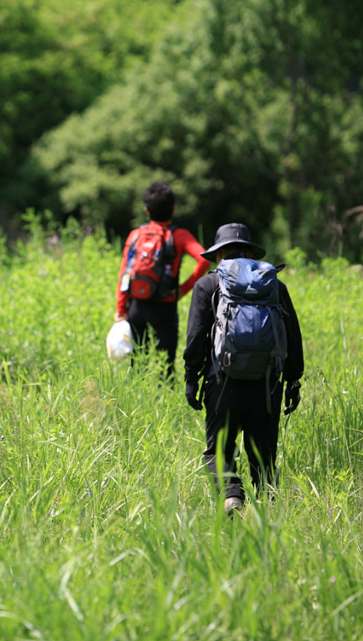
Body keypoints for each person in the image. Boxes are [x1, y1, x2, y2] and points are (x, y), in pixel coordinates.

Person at [183, 223, 304, 513]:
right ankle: (268, 512)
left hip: (221, 382)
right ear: (250, 252)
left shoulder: (207, 285)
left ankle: (232, 496)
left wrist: (191, 379)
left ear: (218, 255)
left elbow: (196, 337)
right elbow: (292, 335)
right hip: (267, 384)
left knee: (218, 451)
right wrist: (293, 382)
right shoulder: (275, 284)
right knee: (263, 453)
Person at [114, 180, 210, 377]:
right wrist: (183, 289)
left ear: (146, 210)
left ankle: (137, 397)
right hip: (164, 306)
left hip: (136, 307)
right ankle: (162, 396)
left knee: (138, 363)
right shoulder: (180, 235)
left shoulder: (135, 235)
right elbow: (204, 260)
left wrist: (121, 309)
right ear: (174, 208)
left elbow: (124, 273)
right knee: (165, 365)